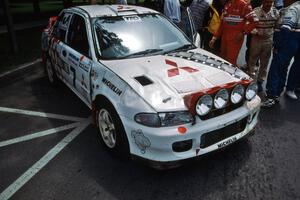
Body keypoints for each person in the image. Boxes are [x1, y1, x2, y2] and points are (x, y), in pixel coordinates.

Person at [262, 0, 300, 107]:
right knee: (283, 68)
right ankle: (277, 94)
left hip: (287, 43)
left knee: (276, 69)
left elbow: (285, 29)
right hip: (295, 43)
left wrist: (277, 45)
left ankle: (270, 97)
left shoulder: (293, 9)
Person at [209, 0, 258, 66]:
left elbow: (255, 21)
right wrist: (214, 38)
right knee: (222, 59)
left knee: (230, 62)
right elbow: (222, 24)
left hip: (235, 38)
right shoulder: (227, 4)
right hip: (224, 38)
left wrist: (243, 32)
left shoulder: (244, 5)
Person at [247, 0, 279, 92]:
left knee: (265, 62)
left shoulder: (275, 12)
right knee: (252, 60)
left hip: (268, 40)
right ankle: (251, 80)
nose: (268, 4)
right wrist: (255, 32)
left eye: (270, 2)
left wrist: (275, 41)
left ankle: (260, 82)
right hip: (256, 40)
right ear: (262, 2)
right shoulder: (255, 11)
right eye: (266, 2)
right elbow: (247, 24)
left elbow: (277, 27)